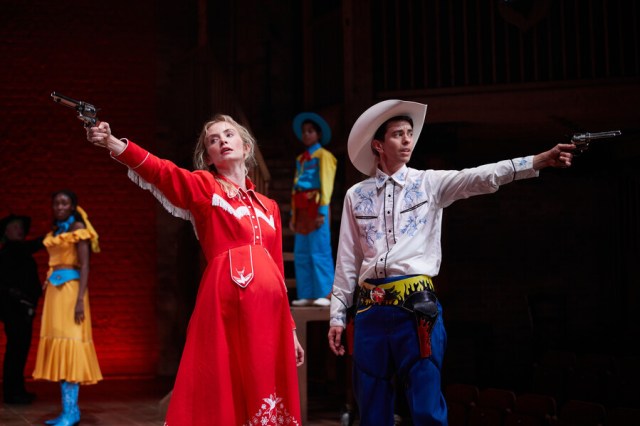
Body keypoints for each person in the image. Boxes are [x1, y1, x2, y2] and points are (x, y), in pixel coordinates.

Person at [327, 99, 576, 425]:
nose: (407, 141)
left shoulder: (428, 183)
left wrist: (538, 161)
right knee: (371, 403)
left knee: (426, 401)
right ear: (378, 144)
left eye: (410, 134)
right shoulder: (355, 195)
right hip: (369, 309)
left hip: (414, 306)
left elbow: (481, 176)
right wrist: (336, 315)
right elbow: (348, 259)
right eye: (398, 134)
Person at [86, 114, 304, 425]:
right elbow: (162, 172)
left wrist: (291, 328)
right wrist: (113, 143)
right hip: (225, 303)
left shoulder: (268, 206)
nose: (222, 141)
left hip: (269, 311)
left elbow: (277, 268)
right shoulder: (205, 187)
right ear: (209, 156)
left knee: (263, 380)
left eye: (229, 135)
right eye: (213, 141)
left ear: (246, 145)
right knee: (224, 378)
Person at [32, 190, 102, 426]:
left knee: (71, 346)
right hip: (55, 294)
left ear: (72, 206)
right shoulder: (56, 231)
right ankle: (67, 411)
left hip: (72, 293)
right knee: (59, 346)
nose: (60, 206)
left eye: (65, 203)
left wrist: (81, 299)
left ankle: (72, 412)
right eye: (56, 203)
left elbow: (84, 266)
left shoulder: (77, 228)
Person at [289, 112, 337, 307]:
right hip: (301, 207)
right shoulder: (301, 158)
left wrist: (322, 211)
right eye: (304, 132)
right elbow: (295, 187)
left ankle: (326, 293)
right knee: (301, 253)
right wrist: (293, 214)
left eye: (310, 131)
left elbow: (326, 184)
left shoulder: (325, 156)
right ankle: (307, 294)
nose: (306, 135)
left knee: (319, 250)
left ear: (318, 134)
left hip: (316, 205)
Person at [0, 213, 44, 404]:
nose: (19, 229)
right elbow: (34, 245)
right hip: (14, 309)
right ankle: (12, 393)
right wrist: (50, 237)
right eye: (14, 226)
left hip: (23, 310)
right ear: (6, 232)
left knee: (19, 350)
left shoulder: (19, 251)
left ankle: (17, 390)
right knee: (16, 350)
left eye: (20, 226)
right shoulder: (10, 250)